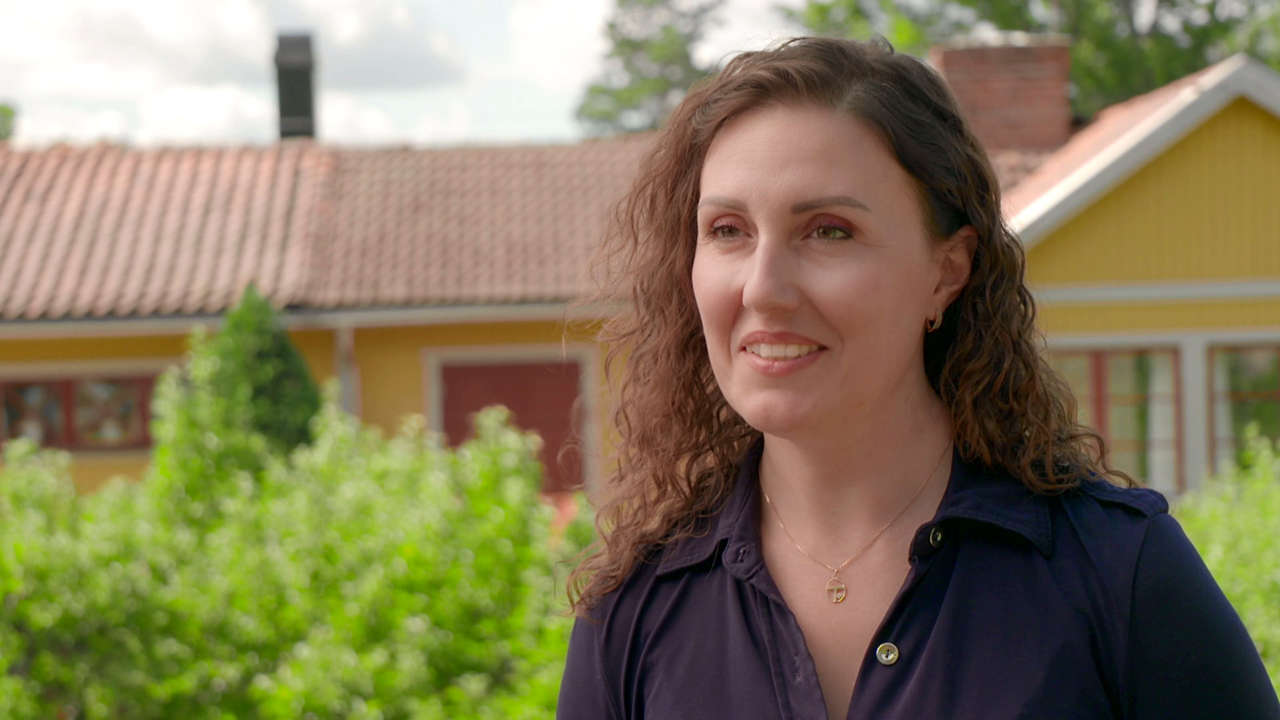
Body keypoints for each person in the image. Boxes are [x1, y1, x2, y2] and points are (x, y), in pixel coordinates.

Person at [557, 36, 1280, 720]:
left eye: (828, 230)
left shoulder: (1120, 573)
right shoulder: (632, 608)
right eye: (727, 231)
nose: (762, 288)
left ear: (947, 271)